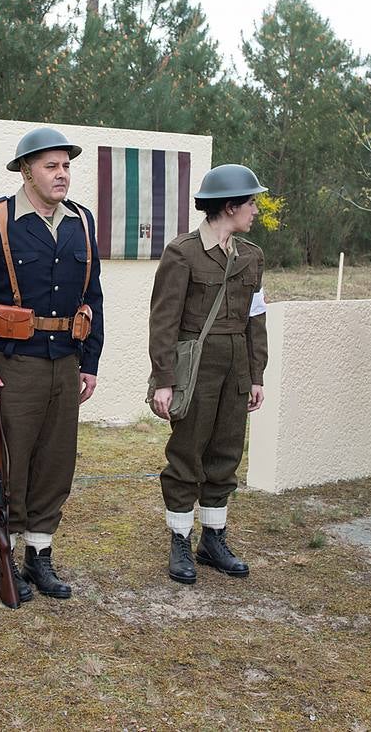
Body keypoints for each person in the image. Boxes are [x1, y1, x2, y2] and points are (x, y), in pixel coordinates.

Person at [0, 127, 104, 601]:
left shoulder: (81, 220)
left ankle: (40, 555)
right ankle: (5, 551)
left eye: (66, 166)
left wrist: (90, 360)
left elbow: (92, 293)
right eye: (51, 166)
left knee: (57, 462)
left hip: (65, 361)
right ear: (26, 170)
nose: (62, 175)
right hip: (13, 363)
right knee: (11, 462)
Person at [147, 164, 268, 585]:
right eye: (250, 201)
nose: (255, 209)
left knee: (226, 452)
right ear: (230, 205)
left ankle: (213, 538)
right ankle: (180, 539)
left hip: (236, 364)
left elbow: (256, 320)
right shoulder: (182, 252)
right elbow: (164, 321)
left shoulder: (251, 256)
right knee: (187, 453)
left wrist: (256, 375)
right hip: (195, 365)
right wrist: (165, 380)